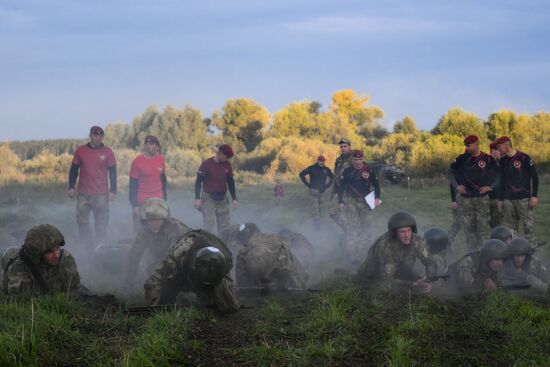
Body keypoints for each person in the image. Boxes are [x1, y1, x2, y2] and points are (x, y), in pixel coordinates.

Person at [143, 229, 239, 314]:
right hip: (183, 273)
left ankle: (207, 295)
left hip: (212, 275)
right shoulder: (178, 254)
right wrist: (153, 306)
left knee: (229, 307)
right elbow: (156, 279)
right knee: (164, 302)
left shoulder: (223, 262)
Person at [357, 212, 437, 293]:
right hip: (374, 273)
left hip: (399, 268)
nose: (407, 235)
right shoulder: (386, 246)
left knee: (416, 278)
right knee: (384, 289)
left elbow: (431, 263)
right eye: (402, 232)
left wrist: (429, 281)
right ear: (395, 233)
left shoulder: (417, 241)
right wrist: (411, 284)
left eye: (409, 230)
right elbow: (386, 280)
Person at [67, 126, 117, 250]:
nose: (97, 138)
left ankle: (101, 248)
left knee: (101, 224)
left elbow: (113, 172)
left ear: (102, 137)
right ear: (90, 136)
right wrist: (71, 186)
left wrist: (113, 191)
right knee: (82, 222)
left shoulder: (108, 152)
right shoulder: (81, 151)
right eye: (95, 135)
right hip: (83, 194)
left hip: (101, 194)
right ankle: (86, 247)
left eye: (100, 135)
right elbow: (74, 169)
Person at [447, 135, 499, 251]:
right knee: (469, 231)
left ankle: (486, 255)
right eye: (465, 145)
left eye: (468, 145)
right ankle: (472, 256)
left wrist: (491, 187)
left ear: (476, 144)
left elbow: (499, 175)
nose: (467, 148)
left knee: (484, 230)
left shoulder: (488, 159)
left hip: (482, 199)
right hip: (466, 200)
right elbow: (449, 172)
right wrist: (456, 186)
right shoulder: (462, 158)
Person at [125, 198, 191, 288]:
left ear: (164, 220)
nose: (154, 223)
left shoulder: (175, 228)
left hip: (183, 260)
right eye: (150, 220)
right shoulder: (144, 231)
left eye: (157, 220)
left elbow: (174, 256)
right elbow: (134, 255)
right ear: (145, 220)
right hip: (161, 256)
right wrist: (128, 282)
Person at [3, 224, 84, 295]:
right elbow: (20, 301)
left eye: (57, 248)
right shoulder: (20, 271)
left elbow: (75, 286)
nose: (57, 255)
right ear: (37, 255)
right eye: (49, 252)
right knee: (8, 253)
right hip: (9, 256)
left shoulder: (66, 259)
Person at [338, 149, 381, 263]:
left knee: (366, 227)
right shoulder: (347, 171)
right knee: (353, 228)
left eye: (360, 159)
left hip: (366, 201)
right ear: (352, 159)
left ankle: (366, 254)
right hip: (351, 201)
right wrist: (340, 201)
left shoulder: (368, 170)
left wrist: (377, 198)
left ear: (363, 159)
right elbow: (341, 186)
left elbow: (376, 185)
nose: (357, 162)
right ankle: (352, 256)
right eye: (355, 159)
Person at [496, 136, 539, 245]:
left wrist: (534, 196)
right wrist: (500, 199)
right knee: (510, 229)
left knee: (528, 226)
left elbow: (535, 177)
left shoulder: (524, 158)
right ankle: (514, 251)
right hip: (508, 200)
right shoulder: (503, 161)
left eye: (499, 147)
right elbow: (502, 181)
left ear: (506, 145)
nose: (498, 150)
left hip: (523, 199)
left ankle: (531, 250)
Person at [236, 223, 305, 289]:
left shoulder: (244, 250)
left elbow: (242, 281)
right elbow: (293, 268)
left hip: (259, 279)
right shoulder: (276, 239)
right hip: (279, 269)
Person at [194, 144, 237, 241]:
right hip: (208, 197)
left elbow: (230, 182)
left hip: (222, 199)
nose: (227, 160)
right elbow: (198, 181)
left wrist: (234, 198)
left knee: (224, 226)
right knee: (209, 225)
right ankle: (205, 244)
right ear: (220, 153)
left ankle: (224, 245)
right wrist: (197, 198)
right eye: (226, 157)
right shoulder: (207, 164)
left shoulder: (227, 165)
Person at [129, 135, 167, 232]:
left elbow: (163, 179)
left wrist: (165, 199)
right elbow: (132, 185)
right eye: (150, 144)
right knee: (141, 231)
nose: (153, 146)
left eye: (155, 144)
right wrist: (135, 205)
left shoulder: (161, 159)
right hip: (142, 201)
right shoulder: (137, 162)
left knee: (160, 230)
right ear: (145, 146)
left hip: (158, 200)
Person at [299, 155, 334, 229]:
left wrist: (327, 186)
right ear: (317, 161)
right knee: (315, 207)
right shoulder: (311, 168)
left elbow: (332, 177)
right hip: (313, 190)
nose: (322, 162)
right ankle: (316, 224)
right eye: (320, 161)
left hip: (322, 191)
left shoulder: (326, 169)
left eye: (323, 161)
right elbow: (301, 174)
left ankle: (322, 224)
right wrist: (307, 184)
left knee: (322, 208)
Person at [329, 138, 353, 231]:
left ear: (349, 146)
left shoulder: (354, 158)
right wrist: (334, 192)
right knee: (332, 210)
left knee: (352, 213)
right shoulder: (339, 159)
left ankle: (354, 233)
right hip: (340, 190)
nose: (343, 148)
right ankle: (348, 229)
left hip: (351, 190)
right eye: (341, 146)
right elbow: (336, 176)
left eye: (345, 146)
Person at [488, 142, 504, 228]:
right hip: (492, 198)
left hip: (495, 197)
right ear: (493, 151)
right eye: (498, 150)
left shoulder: (497, 162)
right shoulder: (489, 162)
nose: (500, 152)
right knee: (495, 224)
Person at [448, 184, 462, 251]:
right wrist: (453, 200)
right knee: (458, 222)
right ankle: (447, 242)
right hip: (460, 199)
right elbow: (452, 183)